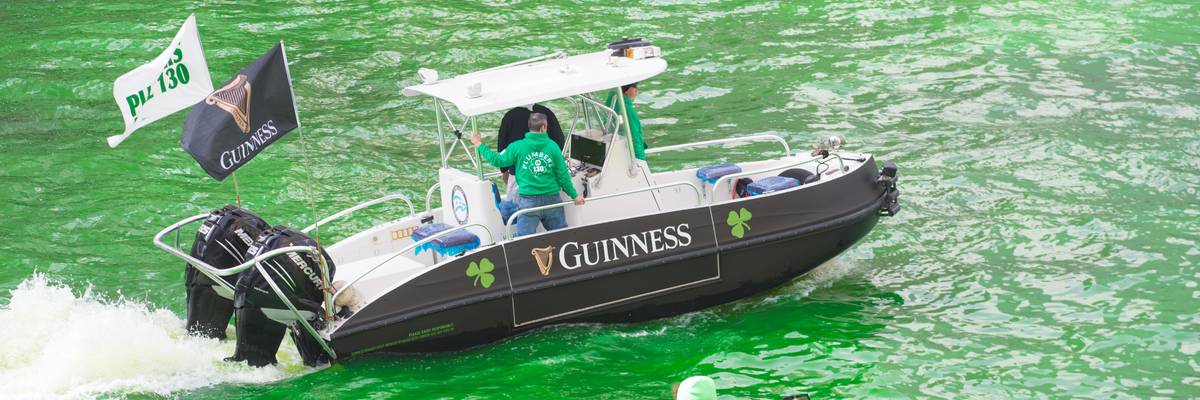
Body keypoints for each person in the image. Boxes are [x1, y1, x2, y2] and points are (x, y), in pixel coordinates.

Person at [472, 113, 584, 237]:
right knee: (561, 237)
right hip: (552, 200)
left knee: (523, 240)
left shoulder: (517, 147)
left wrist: (478, 144)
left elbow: (496, 160)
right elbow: (563, 176)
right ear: (543, 128)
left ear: (529, 127)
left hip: (528, 202)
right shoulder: (553, 147)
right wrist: (574, 196)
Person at [607, 82, 648, 160]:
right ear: (626, 89)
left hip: (616, 149)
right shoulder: (627, 110)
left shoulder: (612, 101)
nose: (637, 89)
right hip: (629, 154)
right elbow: (634, 136)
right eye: (634, 86)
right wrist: (640, 158)